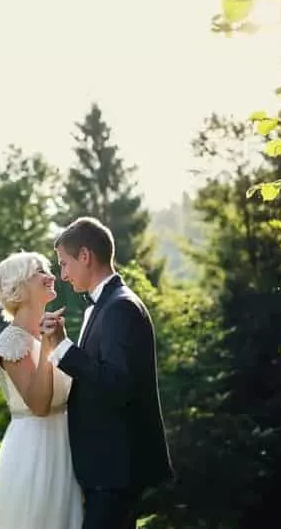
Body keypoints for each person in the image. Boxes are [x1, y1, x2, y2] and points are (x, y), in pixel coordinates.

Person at [41, 216, 173, 529]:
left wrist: (62, 348)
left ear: (85, 256)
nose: (63, 274)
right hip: (107, 469)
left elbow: (117, 384)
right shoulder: (106, 305)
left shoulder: (120, 307)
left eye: (64, 263)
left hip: (116, 471)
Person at [0, 251, 84, 529]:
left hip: (65, 444)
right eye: (40, 271)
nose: (51, 276)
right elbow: (38, 405)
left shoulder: (48, 334)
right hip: (36, 450)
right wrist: (50, 347)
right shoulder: (12, 340)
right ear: (18, 286)